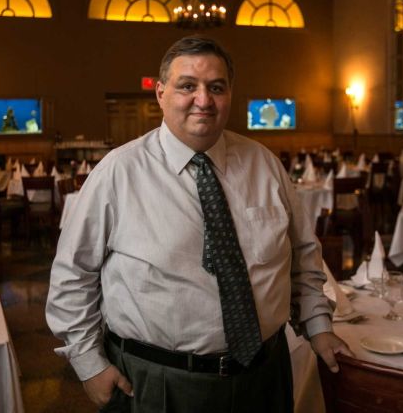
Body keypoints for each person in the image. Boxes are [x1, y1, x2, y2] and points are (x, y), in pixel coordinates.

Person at [46, 35, 351, 412]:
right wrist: (89, 364)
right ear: (160, 93)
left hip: (265, 377)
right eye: (187, 86)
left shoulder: (265, 165)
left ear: (229, 94)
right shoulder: (117, 173)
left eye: (216, 88)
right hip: (156, 384)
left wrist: (318, 326)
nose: (203, 101)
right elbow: (72, 276)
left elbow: (304, 255)